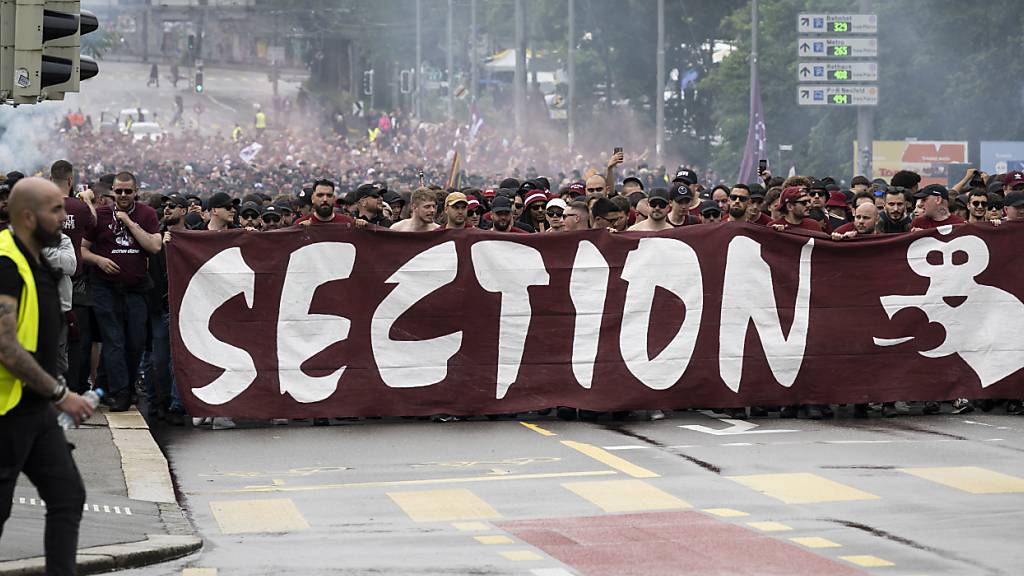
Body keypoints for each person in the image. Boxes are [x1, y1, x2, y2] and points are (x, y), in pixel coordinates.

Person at [0, 177, 94, 576]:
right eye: (56, 210)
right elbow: (5, 347)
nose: (64, 216)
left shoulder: (36, 258)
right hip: (6, 412)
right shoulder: (5, 262)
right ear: (27, 215)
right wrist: (62, 394)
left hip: (34, 410)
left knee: (67, 496)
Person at [80, 172, 162, 412]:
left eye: (128, 191)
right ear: (112, 192)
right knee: (113, 340)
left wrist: (128, 222)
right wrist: (98, 260)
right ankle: (121, 392)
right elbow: (82, 250)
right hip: (104, 287)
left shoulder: (147, 214)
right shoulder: (101, 216)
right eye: (119, 191)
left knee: (135, 342)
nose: (123, 195)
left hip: (136, 288)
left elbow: (154, 246)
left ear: (136, 191)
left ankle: (107, 386)